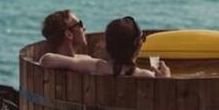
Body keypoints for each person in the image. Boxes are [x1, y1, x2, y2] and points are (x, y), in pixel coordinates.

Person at [39, 11, 170, 77]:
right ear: (138, 46)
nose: (84, 28)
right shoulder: (145, 75)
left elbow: (46, 59)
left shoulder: (96, 65)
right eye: (80, 25)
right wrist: (166, 79)